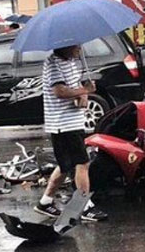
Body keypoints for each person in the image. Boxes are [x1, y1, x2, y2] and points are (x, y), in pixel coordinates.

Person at [35, 45, 107, 221]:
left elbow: (75, 89)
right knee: (82, 163)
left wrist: (83, 96)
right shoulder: (53, 63)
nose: (80, 48)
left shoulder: (72, 62)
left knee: (66, 165)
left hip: (73, 121)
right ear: (65, 45)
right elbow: (59, 91)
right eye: (76, 45)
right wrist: (85, 90)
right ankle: (83, 206)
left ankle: (45, 202)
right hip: (62, 123)